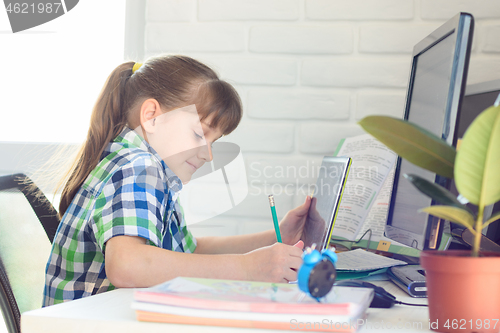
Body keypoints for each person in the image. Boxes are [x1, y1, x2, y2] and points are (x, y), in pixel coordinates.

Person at [43, 55, 314, 306]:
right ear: (152, 117)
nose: (208, 155)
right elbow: (127, 265)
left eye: (214, 142)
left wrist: (279, 235)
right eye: (199, 134)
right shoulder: (138, 167)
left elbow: (190, 251)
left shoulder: (148, 169)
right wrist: (247, 268)